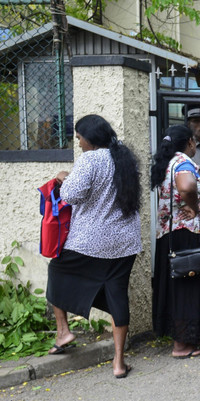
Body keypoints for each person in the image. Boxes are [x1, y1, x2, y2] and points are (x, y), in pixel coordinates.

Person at [45, 114, 141, 379]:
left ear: (90, 138)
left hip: (91, 242)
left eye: (79, 138)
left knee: (57, 271)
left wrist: (65, 177)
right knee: (117, 294)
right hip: (125, 243)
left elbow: (71, 195)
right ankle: (119, 362)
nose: (78, 144)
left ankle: (63, 331)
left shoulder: (90, 159)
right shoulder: (124, 158)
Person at [150, 125, 200, 358]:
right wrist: (193, 207)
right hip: (190, 236)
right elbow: (186, 186)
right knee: (191, 289)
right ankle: (183, 346)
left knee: (180, 288)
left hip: (171, 237)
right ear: (190, 142)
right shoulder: (183, 162)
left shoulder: (166, 163)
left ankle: (181, 342)